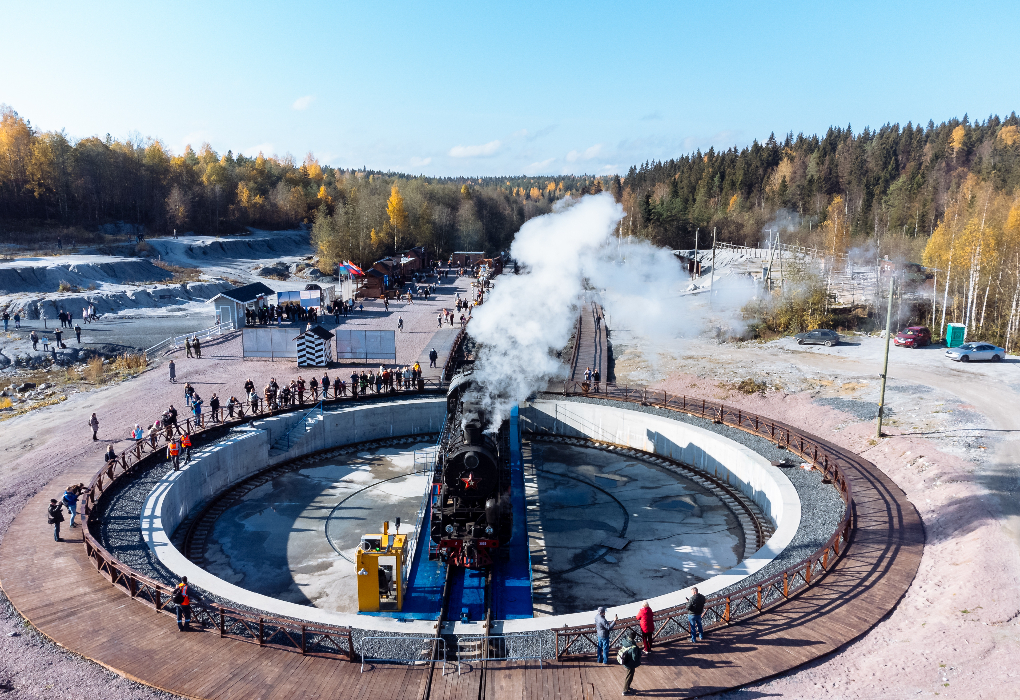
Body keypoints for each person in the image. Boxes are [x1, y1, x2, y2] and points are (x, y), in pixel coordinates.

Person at [618, 629, 642, 696]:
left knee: (629, 675)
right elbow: (634, 658)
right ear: (634, 638)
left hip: (626, 661)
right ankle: (625, 691)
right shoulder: (633, 647)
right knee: (629, 676)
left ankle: (627, 688)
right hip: (630, 664)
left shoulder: (625, 641)